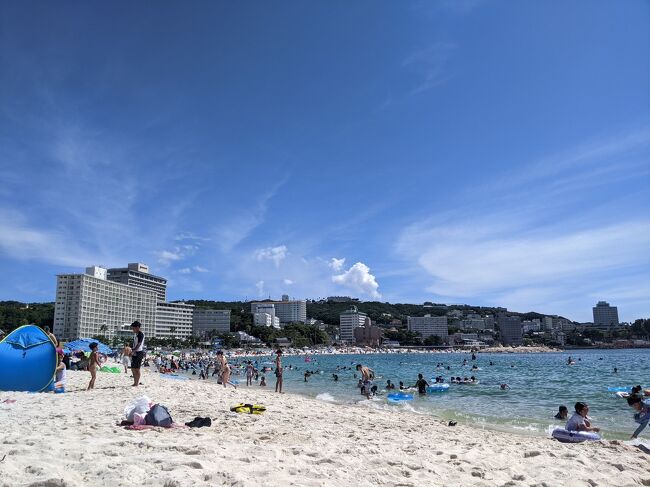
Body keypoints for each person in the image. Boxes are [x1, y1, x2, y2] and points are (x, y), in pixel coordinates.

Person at [130, 321, 146, 387]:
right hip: (135, 352)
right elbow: (135, 344)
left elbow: (139, 343)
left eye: (133, 328)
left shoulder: (140, 334)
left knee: (137, 368)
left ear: (137, 327)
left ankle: (136, 383)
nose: (132, 329)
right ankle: (135, 382)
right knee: (133, 368)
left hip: (139, 353)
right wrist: (132, 350)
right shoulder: (136, 335)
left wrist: (134, 351)